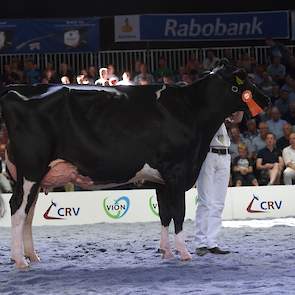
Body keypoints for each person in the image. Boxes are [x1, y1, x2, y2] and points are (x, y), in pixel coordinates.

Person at [195, 111, 243, 256]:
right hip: (208, 154)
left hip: (225, 154)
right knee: (205, 200)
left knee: (218, 202)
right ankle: (200, 242)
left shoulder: (223, 109)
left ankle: (212, 242)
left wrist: (240, 104)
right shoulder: (207, 108)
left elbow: (237, 119)